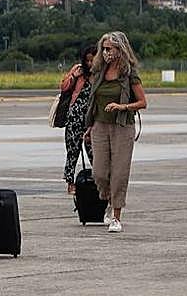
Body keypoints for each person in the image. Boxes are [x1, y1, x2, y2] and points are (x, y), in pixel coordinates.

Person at [83, 31, 147, 233]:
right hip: (100, 126)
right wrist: (89, 126)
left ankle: (116, 216)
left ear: (120, 49)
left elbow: (143, 103)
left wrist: (122, 107)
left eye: (109, 48)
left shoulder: (129, 75)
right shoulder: (99, 73)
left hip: (122, 127)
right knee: (99, 173)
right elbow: (94, 103)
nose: (106, 52)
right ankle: (110, 199)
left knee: (119, 173)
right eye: (104, 48)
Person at [60, 44, 97, 194]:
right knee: (73, 151)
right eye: (87, 60)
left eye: (93, 60)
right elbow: (63, 87)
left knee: (93, 151)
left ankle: (99, 180)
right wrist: (74, 76)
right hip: (75, 116)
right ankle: (70, 183)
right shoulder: (78, 70)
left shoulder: (100, 73)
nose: (90, 64)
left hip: (91, 118)